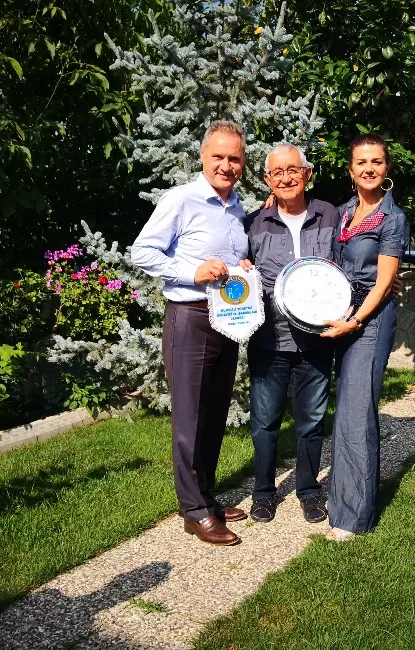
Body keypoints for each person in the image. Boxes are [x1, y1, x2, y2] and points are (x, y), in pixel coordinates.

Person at [130, 120, 250, 547]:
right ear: (202, 156)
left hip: (225, 319)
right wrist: (191, 271)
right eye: (218, 156)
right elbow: (142, 251)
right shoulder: (181, 199)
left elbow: (231, 259)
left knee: (214, 413)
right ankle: (193, 511)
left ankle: (207, 497)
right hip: (189, 318)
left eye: (234, 158)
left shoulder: (237, 207)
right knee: (190, 417)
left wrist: (242, 267)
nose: (226, 165)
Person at [239, 143, 337, 525]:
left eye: (293, 169)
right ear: (267, 179)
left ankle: (309, 491)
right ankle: (263, 493)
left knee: (311, 422)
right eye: (277, 172)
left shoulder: (330, 214)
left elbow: (354, 255)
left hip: (317, 341)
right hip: (269, 341)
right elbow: (235, 265)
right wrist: (239, 265)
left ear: (307, 173)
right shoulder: (253, 223)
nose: (286, 177)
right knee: (265, 422)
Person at [320, 132, 410, 541]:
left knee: (357, 413)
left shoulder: (393, 217)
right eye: (362, 162)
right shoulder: (342, 212)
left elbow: (384, 282)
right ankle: (341, 500)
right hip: (342, 314)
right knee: (346, 410)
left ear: (386, 168)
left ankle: (353, 517)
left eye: (377, 161)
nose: (369, 168)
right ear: (351, 169)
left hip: (368, 321)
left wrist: (354, 321)